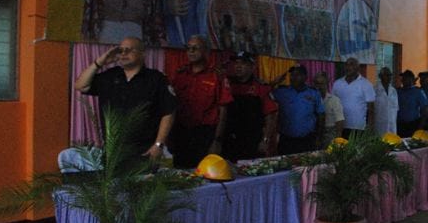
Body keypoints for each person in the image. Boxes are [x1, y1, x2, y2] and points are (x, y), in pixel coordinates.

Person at [73, 36, 176, 170]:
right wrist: (100, 62)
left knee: (143, 190)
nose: (123, 54)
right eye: (120, 50)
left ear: (142, 53)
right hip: (113, 151)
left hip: (145, 151)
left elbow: (168, 112)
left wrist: (158, 145)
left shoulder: (156, 79)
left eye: (128, 50)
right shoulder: (110, 76)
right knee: (114, 190)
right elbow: (81, 86)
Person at [170, 35, 232, 168]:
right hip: (182, 132)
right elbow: (171, 105)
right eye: (188, 48)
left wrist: (217, 140)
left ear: (206, 52)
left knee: (205, 173)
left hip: (205, 134)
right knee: (181, 172)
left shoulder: (217, 75)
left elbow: (223, 109)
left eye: (195, 48)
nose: (191, 51)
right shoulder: (180, 74)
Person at [223, 51, 277, 161]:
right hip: (229, 139)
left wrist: (265, 140)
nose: (238, 66)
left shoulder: (260, 87)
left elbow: (270, 116)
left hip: (252, 141)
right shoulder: (227, 84)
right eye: (236, 63)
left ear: (252, 67)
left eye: (243, 63)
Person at [272, 65, 324, 155]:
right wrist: (273, 83)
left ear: (305, 77)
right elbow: (263, 94)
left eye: (297, 75)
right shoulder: (281, 91)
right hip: (286, 140)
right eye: (292, 75)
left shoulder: (314, 93)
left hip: (307, 139)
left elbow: (321, 115)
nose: (293, 77)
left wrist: (319, 137)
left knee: (306, 167)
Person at [332, 57, 375, 138]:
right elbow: (333, 104)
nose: (348, 67)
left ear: (357, 68)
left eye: (351, 64)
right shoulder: (337, 83)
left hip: (359, 128)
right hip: (340, 127)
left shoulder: (366, 84)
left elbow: (371, 109)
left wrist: (370, 128)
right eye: (346, 65)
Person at [313, 71, 345, 145]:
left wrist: (337, 141)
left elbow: (340, 122)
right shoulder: (310, 99)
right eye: (317, 83)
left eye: (322, 84)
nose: (319, 86)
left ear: (327, 84)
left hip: (329, 133)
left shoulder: (334, 100)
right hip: (314, 133)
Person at [396, 70, 428, 138]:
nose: (402, 80)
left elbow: (424, 110)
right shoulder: (398, 92)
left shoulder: (418, 92)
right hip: (400, 124)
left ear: (411, 79)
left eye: (405, 78)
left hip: (413, 124)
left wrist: (420, 127)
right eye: (402, 78)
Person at [374, 67, 398, 135]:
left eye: (390, 75)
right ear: (380, 76)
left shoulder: (394, 91)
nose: (389, 77)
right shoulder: (374, 90)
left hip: (392, 127)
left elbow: (396, 109)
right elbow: (371, 110)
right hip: (379, 127)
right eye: (386, 75)